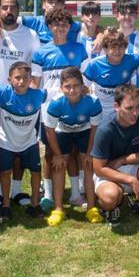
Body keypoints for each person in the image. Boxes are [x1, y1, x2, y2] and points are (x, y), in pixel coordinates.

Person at [0, 0, 38, 208]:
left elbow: (36, 66)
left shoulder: (30, 35)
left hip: (19, 102)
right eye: (4, 7)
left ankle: (17, 190)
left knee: (18, 145)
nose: (8, 11)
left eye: (12, 7)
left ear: (19, 11)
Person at [31, 8, 89, 210]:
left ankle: (74, 193)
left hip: (75, 109)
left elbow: (86, 81)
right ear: (49, 27)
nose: (60, 28)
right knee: (50, 153)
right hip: (50, 112)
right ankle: (48, 195)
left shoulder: (79, 49)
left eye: (64, 24)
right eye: (56, 24)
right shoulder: (40, 52)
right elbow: (35, 84)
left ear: (69, 27)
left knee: (73, 153)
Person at [91, 84, 139, 231]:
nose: (135, 112)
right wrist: (130, 180)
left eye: (138, 107)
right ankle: (110, 209)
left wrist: (123, 160)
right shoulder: (105, 128)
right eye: (129, 108)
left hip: (131, 164)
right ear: (116, 106)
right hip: (109, 170)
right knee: (110, 197)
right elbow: (98, 168)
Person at [43, 67, 103, 225]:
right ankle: (58, 208)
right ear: (61, 87)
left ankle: (91, 207)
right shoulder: (56, 103)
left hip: (85, 131)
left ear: (83, 86)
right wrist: (57, 155)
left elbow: (95, 128)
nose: (72, 90)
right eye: (67, 86)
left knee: (88, 165)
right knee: (58, 166)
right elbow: (49, 130)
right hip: (63, 132)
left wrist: (90, 153)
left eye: (76, 86)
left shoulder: (93, 101)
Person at [0, 62, 47, 221]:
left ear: (31, 80)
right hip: (6, 142)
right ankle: (6, 205)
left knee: (36, 172)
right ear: (9, 79)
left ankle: (35, 205)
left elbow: (58, 91)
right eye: (17, 78)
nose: (21, 81)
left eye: (25, 78)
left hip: (29, 142)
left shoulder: (39, 95)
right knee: (5, 172)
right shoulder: (2, 92)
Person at [83, 28, 139, 125]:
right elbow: (83, 88)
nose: (117, 51)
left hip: (121, 110)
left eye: (121, 47)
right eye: (113, 47)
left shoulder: (131, 60)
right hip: (100, 109)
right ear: (105, 49)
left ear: (125, 47)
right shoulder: (95, 65)